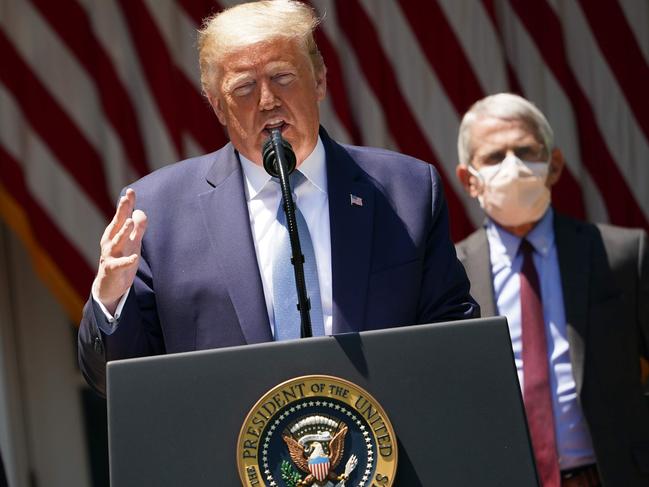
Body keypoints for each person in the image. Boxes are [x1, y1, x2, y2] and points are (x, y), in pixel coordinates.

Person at [78, 0, 477, 397]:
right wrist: (111, 298)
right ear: (218, 106)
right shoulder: (159, 212)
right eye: (244, 87)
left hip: (384, 447)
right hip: (232, 455)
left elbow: (453, 335)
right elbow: (113, 379)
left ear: (319, 80)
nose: (267, 100)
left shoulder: (405, 189)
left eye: (283, 77)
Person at [455, 93, 649, 486]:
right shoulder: (451, 273)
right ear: (469, 180)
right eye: (495, 157)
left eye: (527, 151)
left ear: (554, 165)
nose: (514, 166)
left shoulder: (621, 254)